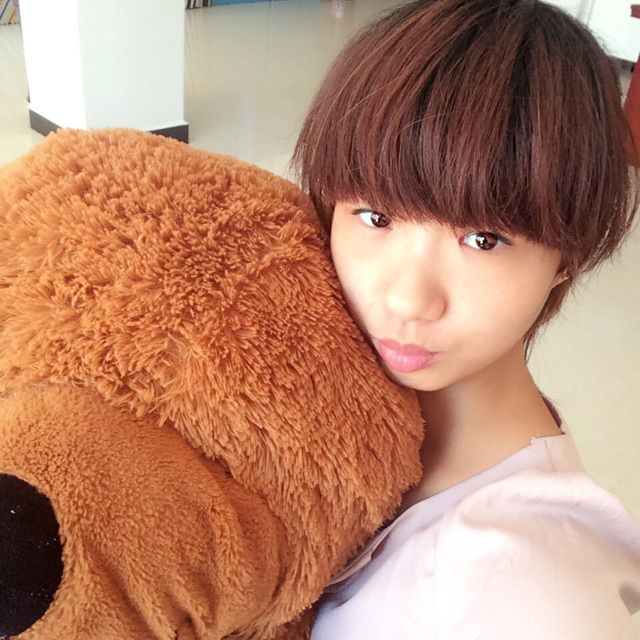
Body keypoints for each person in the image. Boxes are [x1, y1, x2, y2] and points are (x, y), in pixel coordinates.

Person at [291, 0, 640, 637]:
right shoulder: (311, 399)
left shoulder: (534, 593)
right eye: (375, 216)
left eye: (483, 239)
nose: (408, 300)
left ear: (567, 257)